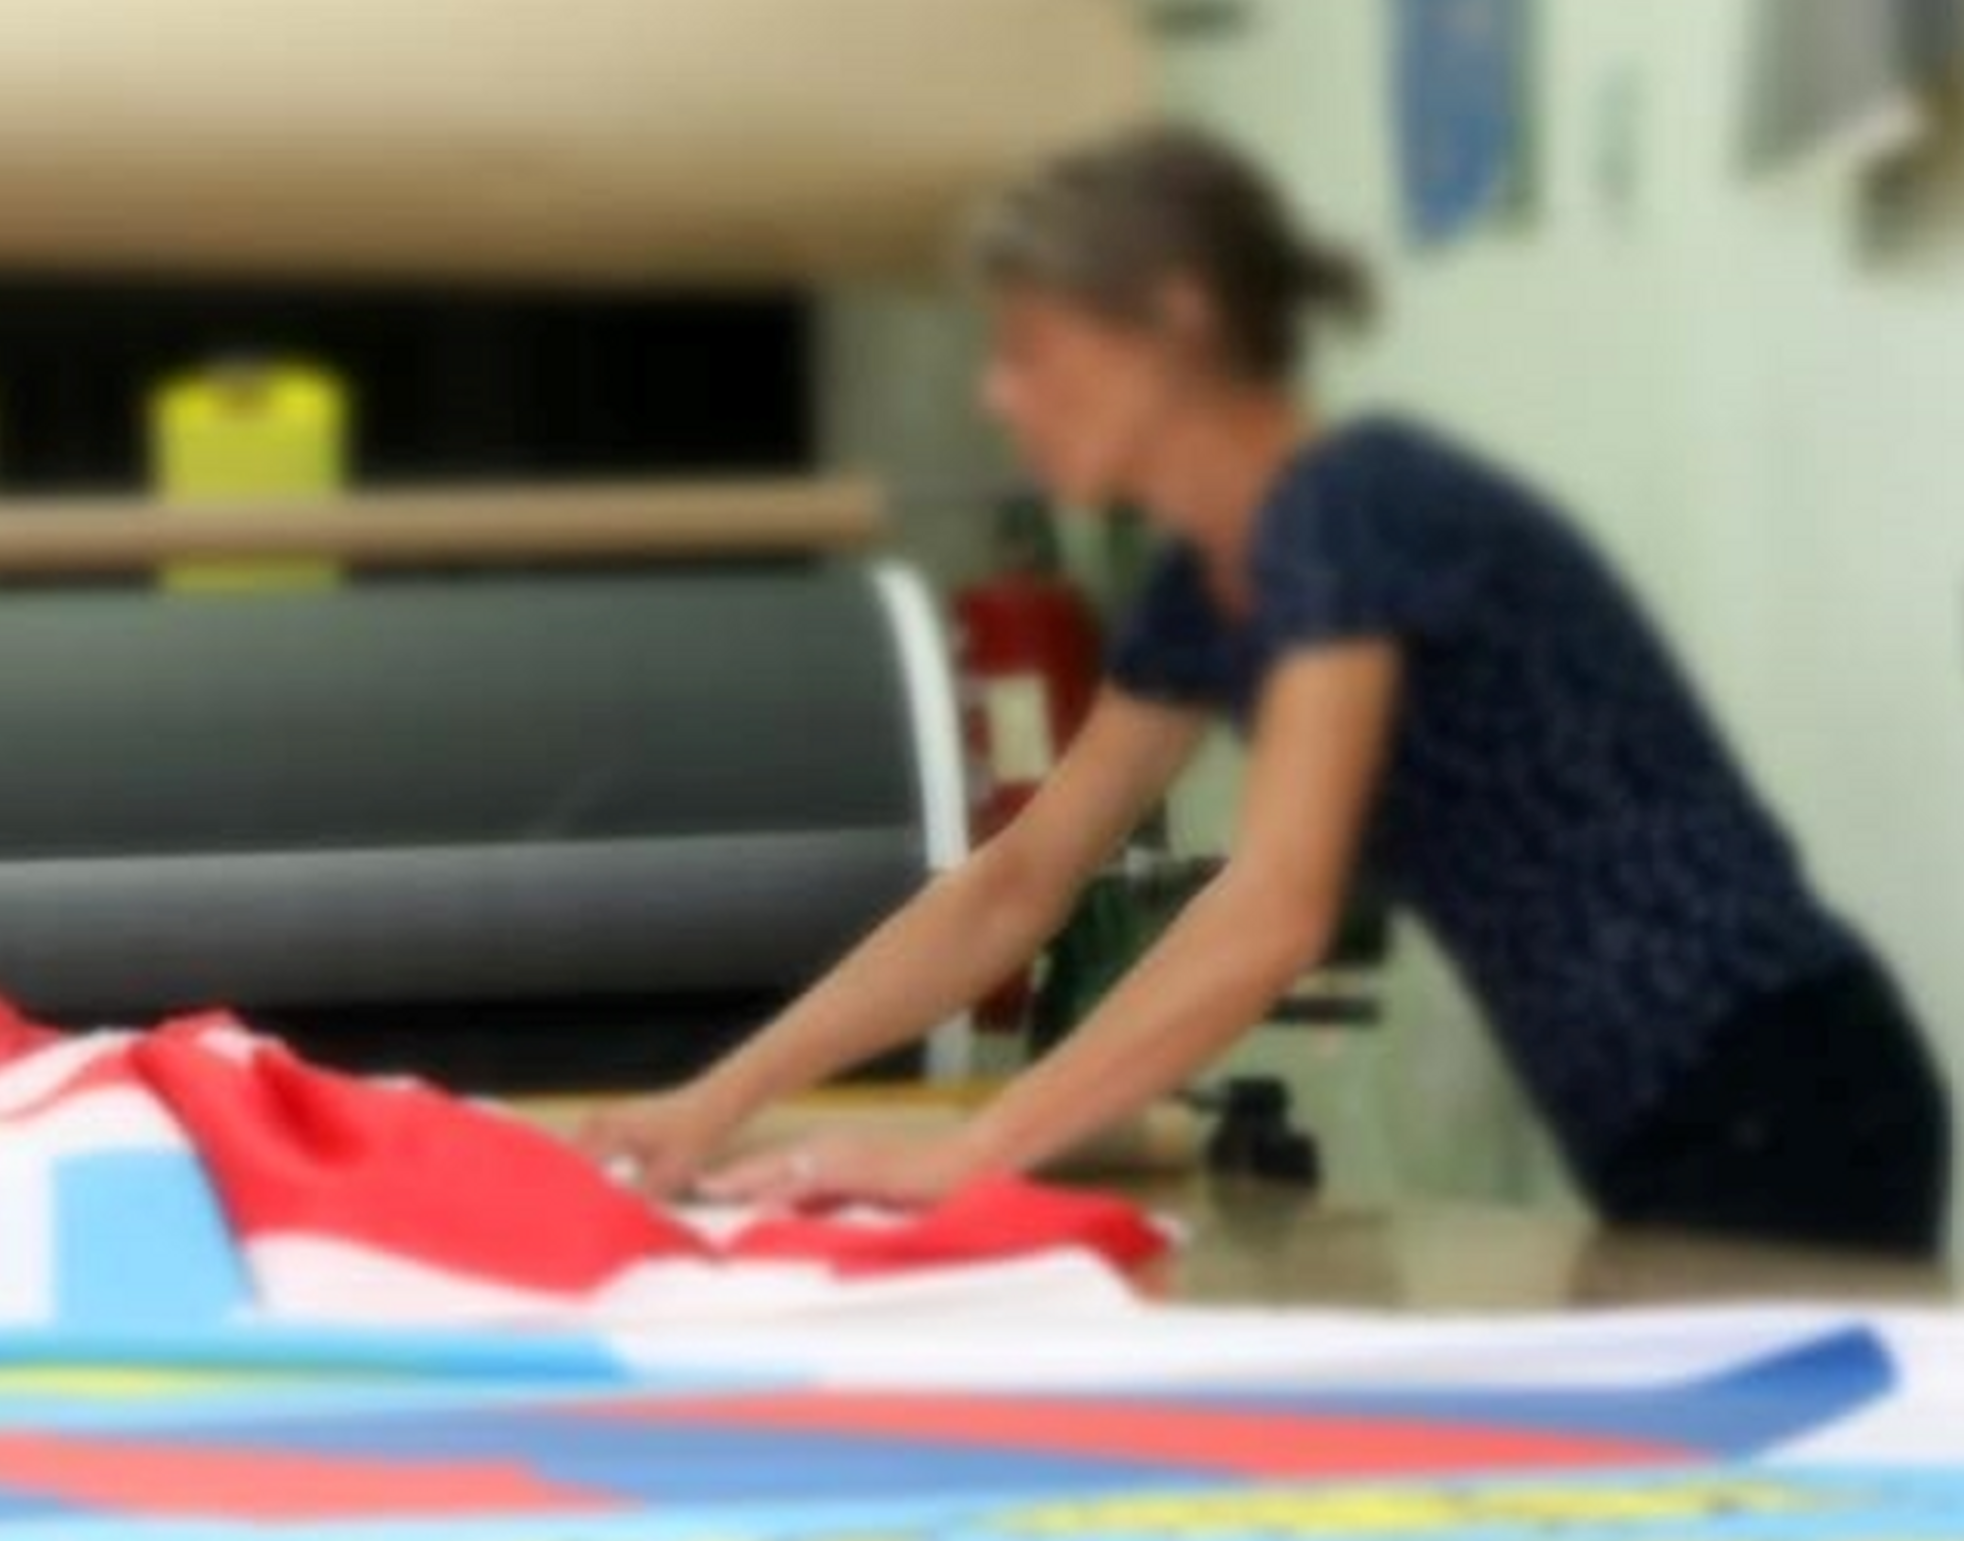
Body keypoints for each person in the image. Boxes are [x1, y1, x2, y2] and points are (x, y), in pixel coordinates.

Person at [590, 122, 1946, 1259]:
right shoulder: (1209, 583)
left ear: (1176, 323)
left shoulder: (1353, 511)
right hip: (1671, 1111)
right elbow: (1018, 881)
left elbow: (1276, 908)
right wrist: (715, 1100)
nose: (1003, 397)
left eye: (1033, 349)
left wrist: (981, 1152)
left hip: (1780, 1085)